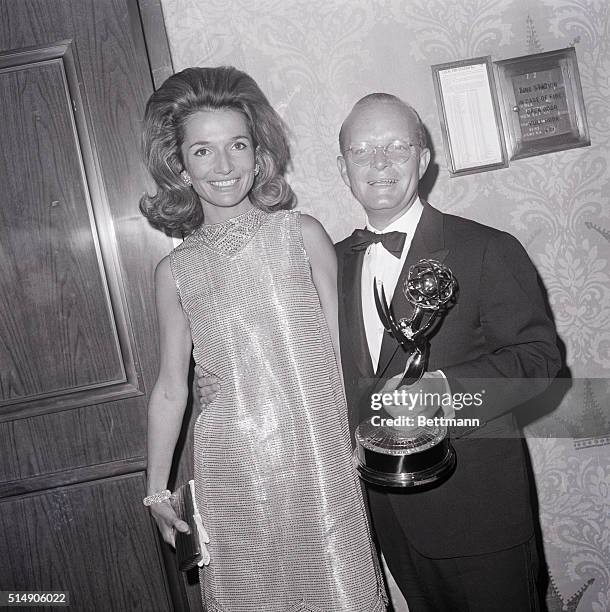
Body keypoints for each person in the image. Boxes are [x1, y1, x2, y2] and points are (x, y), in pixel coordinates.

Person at [199, 92, 561, 611]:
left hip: (480, 515)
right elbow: (295, 360)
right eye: (362, 151)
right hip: (383, 512)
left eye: (396, 146)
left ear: (424, 156)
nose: (380, 162)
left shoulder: (487, 249)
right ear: (343, 168)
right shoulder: (328, 264)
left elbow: (540, 362)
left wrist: (442, 392)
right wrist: (225, 381)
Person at [140, 67, 386, 612]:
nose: (224, 166)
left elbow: (351, 354)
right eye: (203, 151)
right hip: (231, 465)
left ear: (259, 154)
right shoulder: (174, 270)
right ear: (179, 164)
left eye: (238, 145)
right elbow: (170, 388)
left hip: (319, 455)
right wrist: (157, 489)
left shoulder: (302, 235)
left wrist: (363, 432)